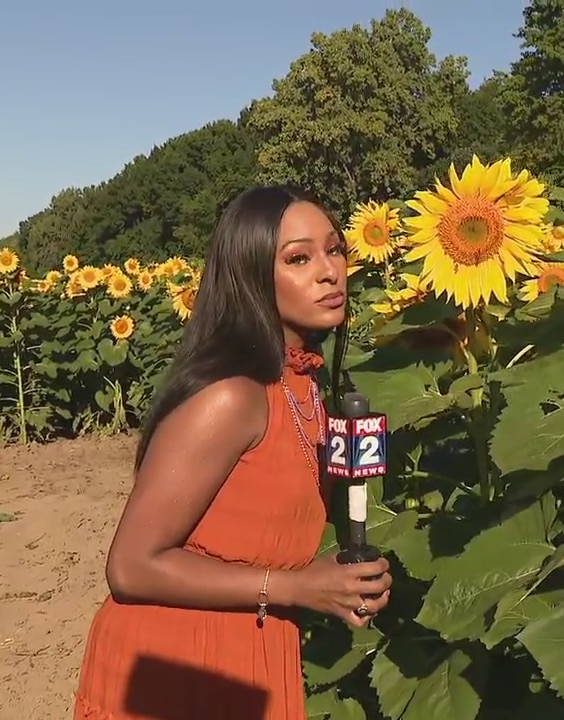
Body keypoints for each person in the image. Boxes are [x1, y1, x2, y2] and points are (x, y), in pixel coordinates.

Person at [73, 185, 393, 720]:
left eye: (335, 249)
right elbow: (130, 565)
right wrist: (297, 587)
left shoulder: (306, 387)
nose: (329, 271)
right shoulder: (231, 396)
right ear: (250, 277)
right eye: (298, 258)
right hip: (180, 662)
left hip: (255, 646)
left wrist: (340, 579)